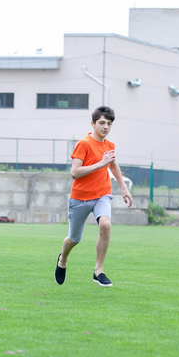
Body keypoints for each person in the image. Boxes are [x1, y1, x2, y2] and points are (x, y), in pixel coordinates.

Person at [54, 106, 133, 287]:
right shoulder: (84, 143)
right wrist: (100, 164)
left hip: (102, 195)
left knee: (105, 224)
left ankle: (98, 271)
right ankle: (63, 259)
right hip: (79, 198)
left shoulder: (109, 145)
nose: (105, 127)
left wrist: (123, 188)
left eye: (109, 123)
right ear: (93, 124)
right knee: (74, 239)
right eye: (102, 123)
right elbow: (74, 172)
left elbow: (113, 166)